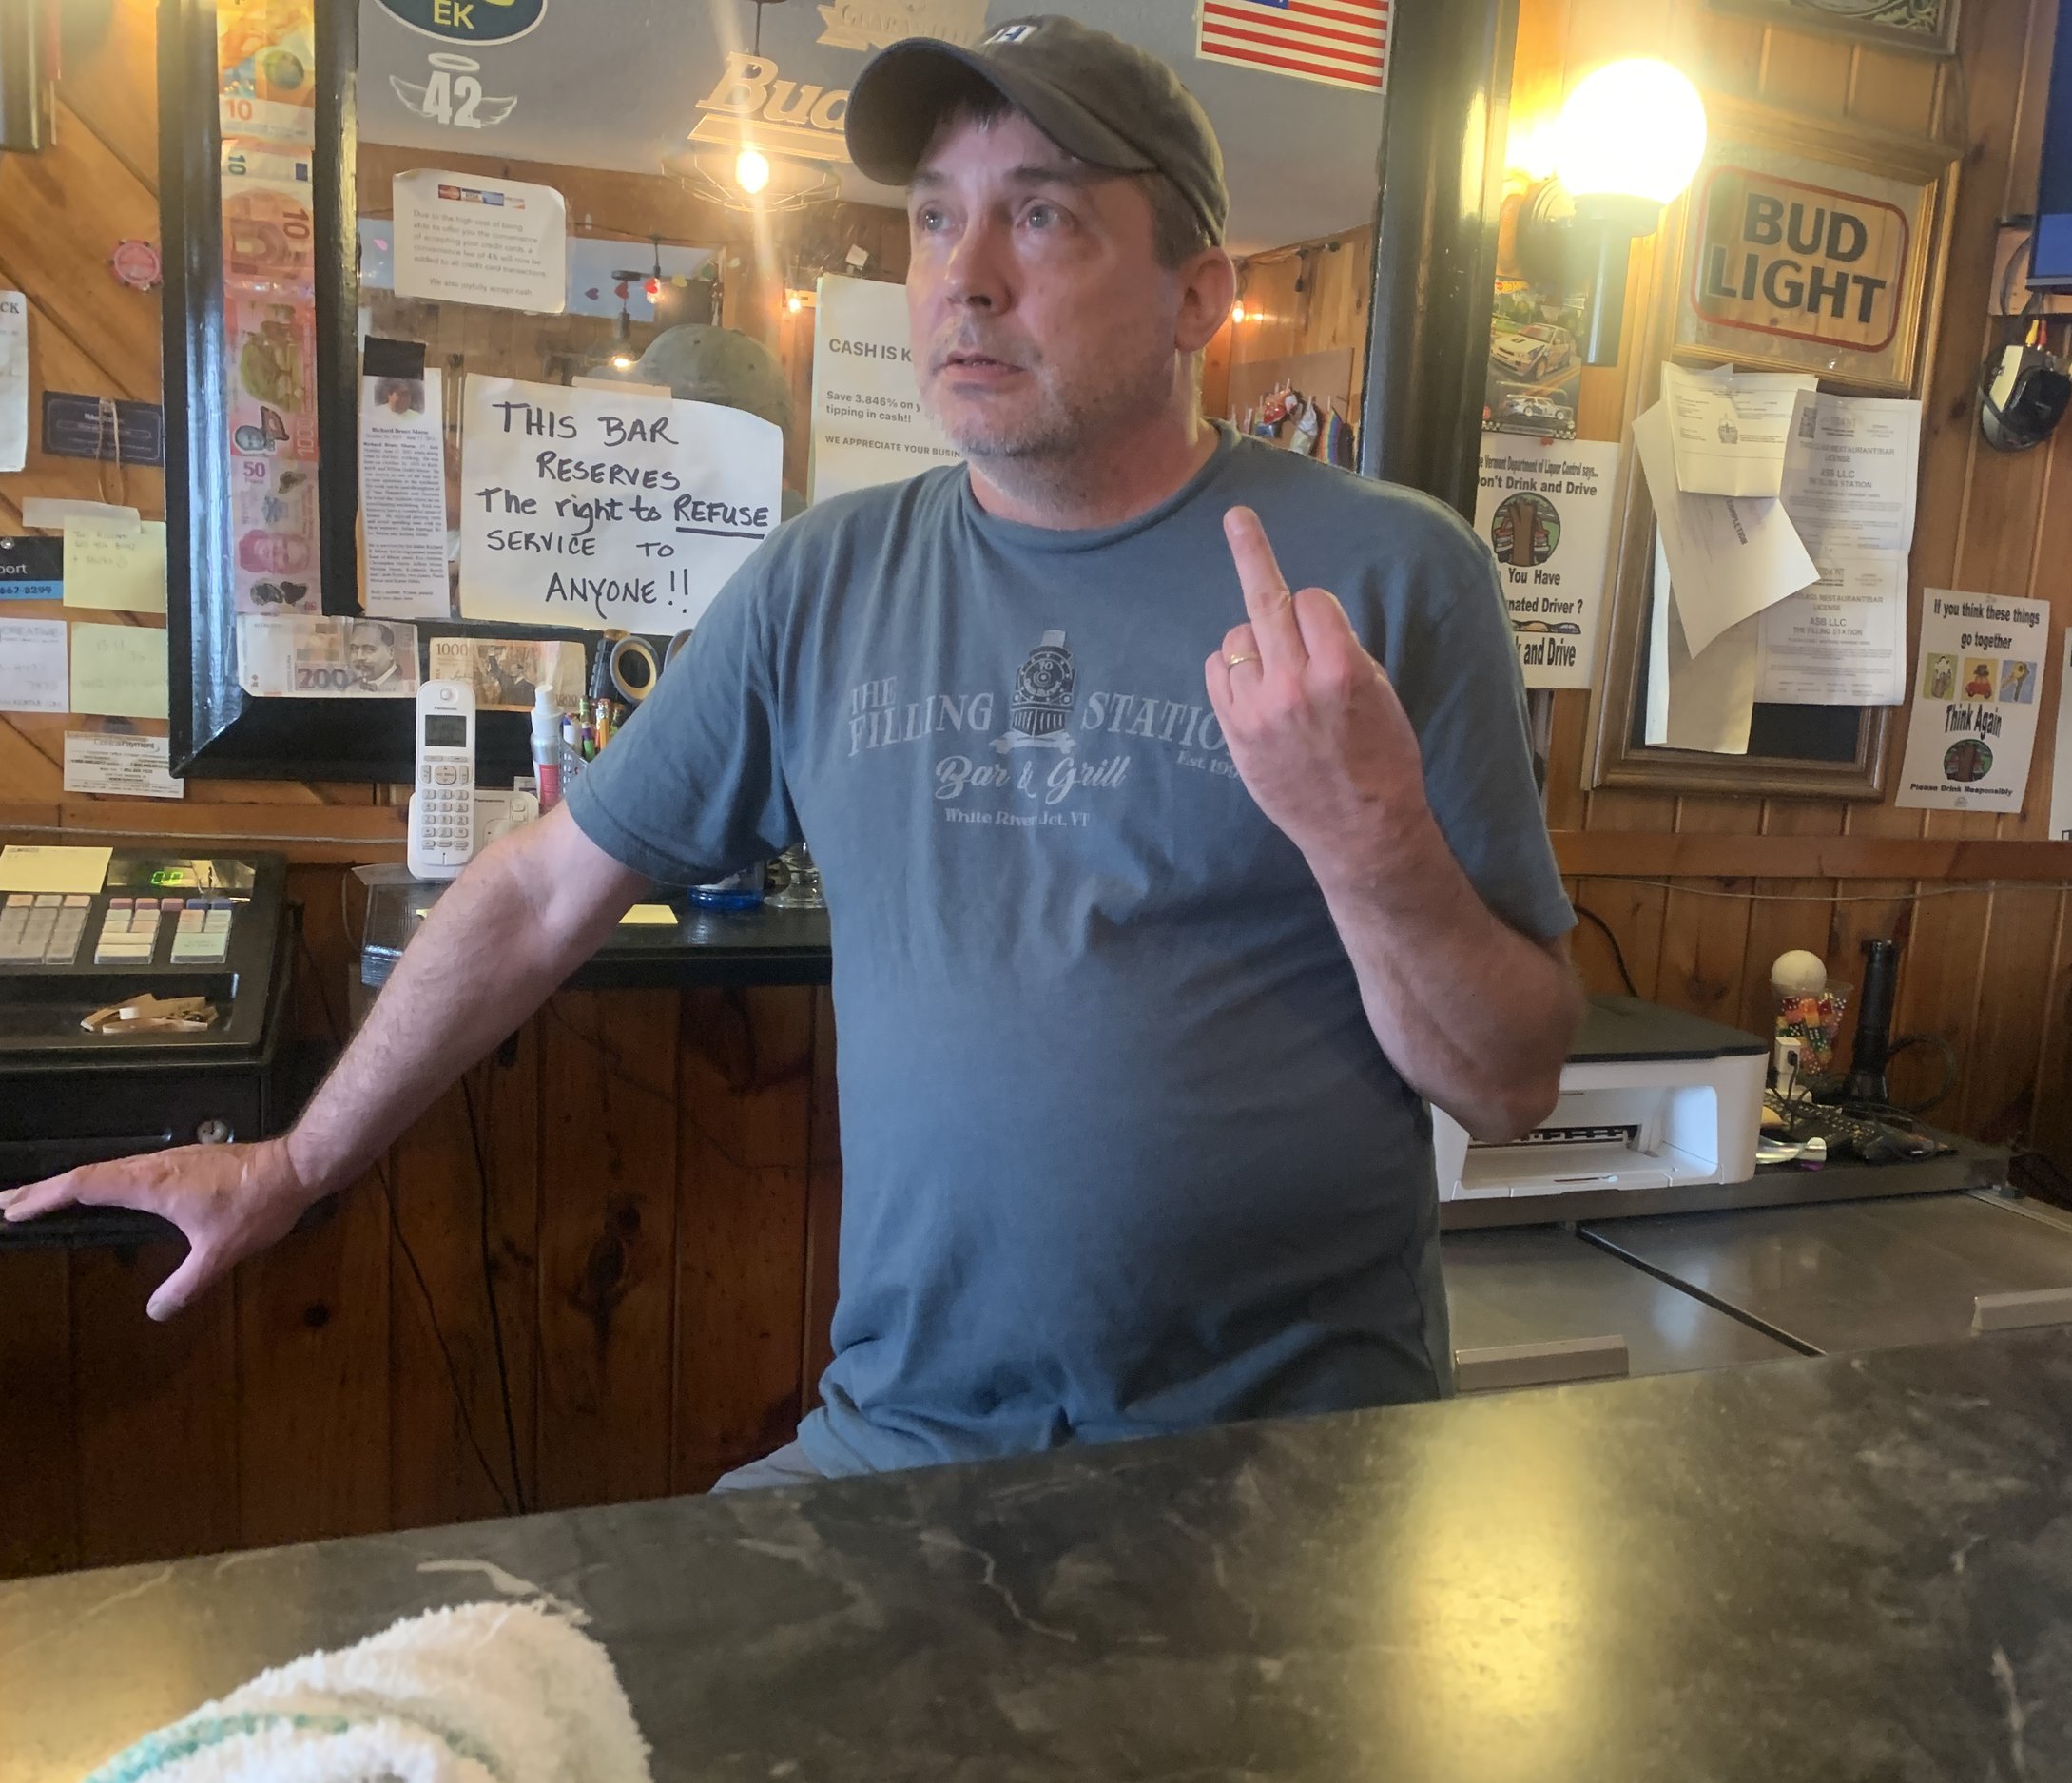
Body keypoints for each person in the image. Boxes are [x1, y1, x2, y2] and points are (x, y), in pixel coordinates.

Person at [3, 16, 1578, 1480]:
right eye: (934, 216)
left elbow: (1505, 1084)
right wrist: (293, 1166)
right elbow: (547, 890)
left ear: (1198, 297)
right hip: (905, 1448)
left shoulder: (1388, 575)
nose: (965, 277)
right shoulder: (828, 580)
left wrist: (1365, 839)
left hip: (1291, 1470)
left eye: (1042, 216)